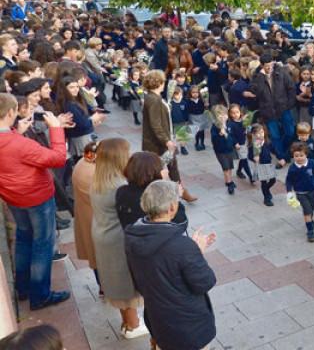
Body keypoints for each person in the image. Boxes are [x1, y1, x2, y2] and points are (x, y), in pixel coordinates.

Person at [124, 180, 217, 350]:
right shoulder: (182, 246)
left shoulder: (132, 237)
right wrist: (197, 252)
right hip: (189, 329)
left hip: (159, 322)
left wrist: (193, 251)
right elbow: (205, 282)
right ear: (172, 208)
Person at [0, 93, 70, 310]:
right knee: (42, 243)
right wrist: (56, 128)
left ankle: (23, 287)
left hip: (12, 196)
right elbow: (57, 158)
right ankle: (40, 294)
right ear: (11, 112)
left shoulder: (11, 138)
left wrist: (16, 132)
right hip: (36, 196)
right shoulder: (18, 144)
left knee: (23, 237)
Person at [91, 138, 149, 339]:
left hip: (103, 234)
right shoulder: (119, 186)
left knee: (115, 281)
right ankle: (133, 325)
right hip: (117, 239)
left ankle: (126, 322)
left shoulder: (100, 180)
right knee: (126, 282)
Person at [142, 69, 196, 202]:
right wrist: (166, 141)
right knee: (160, 169)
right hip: (157, 143)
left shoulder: (154, 97)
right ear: (158, 83)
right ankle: (160, 195)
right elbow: (155, 124)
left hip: (162, 139)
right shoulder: (153, 99)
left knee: (173, 166)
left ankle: (181, 190)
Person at [249, 53, 295, 165]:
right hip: (268, 110)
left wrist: (289, 104)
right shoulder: (257, 76)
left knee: (290, 131)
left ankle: (282, 151)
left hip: (283, 107)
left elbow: (291, 88)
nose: (269, 68)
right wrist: (261, 76)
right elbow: (255, 91)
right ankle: (282, 158)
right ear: (261, 65)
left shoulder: (281, 72)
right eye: (267, 66)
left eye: (271, 65)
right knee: (275, 136)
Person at [72, 141, 99, 292]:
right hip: (95, 220)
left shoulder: (83, 163)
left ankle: (103, 287)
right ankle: (105, 287)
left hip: (88, 217)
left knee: (96, 256)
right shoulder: (93, 173)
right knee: (99, 257)